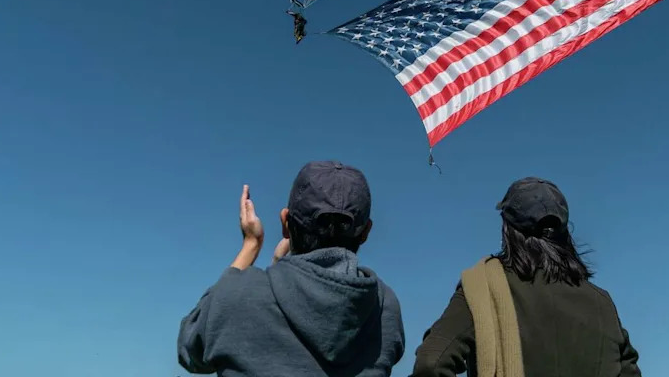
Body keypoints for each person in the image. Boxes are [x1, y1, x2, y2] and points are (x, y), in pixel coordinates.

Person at [177, 160, 405, 377]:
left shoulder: (238, 294)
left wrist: (251, 245)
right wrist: (280, 268)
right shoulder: (384, 306)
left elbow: (190, 348)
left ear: (285, 223)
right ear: (365, 232)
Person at [410, 177, 641, 377]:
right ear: (564, 232)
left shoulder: (482, 289)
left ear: (507, 231)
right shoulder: (603, 304)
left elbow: (431, 364)